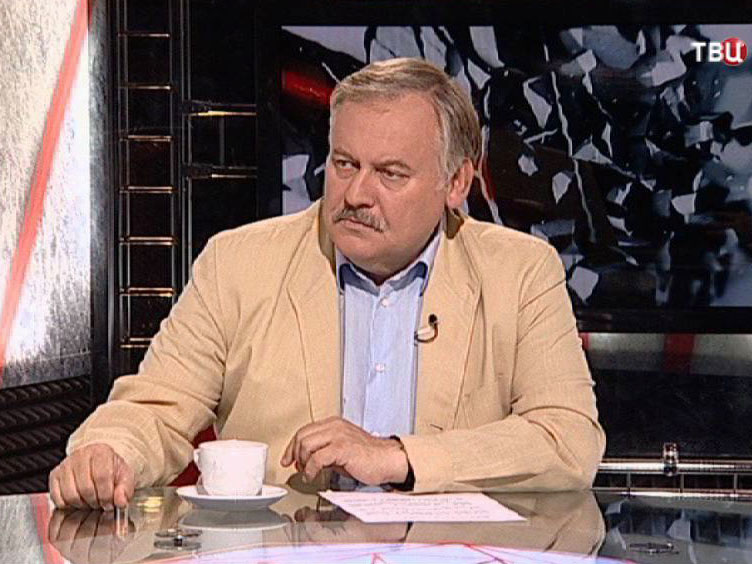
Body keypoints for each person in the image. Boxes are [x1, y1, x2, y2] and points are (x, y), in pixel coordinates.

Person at [49, 57, 605, 510]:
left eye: (390, 173)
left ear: (456, 182)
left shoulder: (520, 272)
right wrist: (108, 451)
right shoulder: (239, 263)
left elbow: (567, 440)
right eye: (344, 164)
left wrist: (397, 456)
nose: (357, 194)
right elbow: (155, 408)